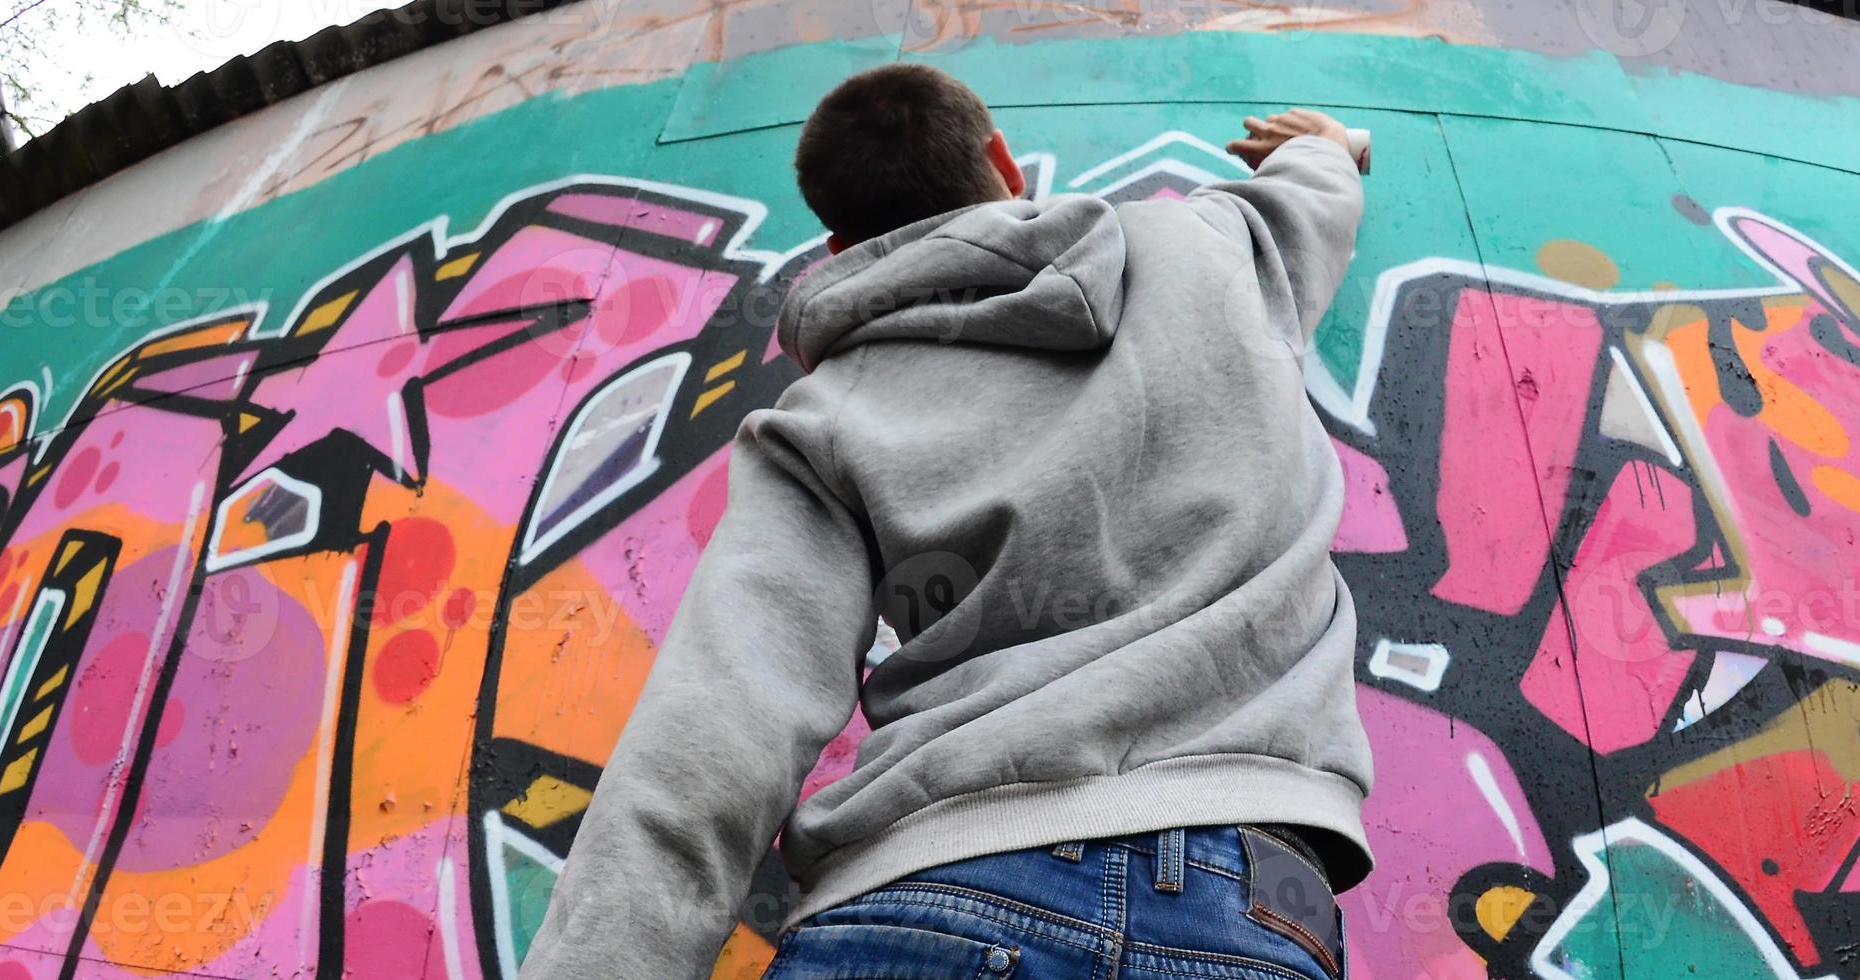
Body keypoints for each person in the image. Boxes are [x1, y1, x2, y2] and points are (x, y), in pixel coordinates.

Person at [518, 63, 1371, 980]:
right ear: (1003, 162)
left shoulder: (820, 418)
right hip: (1245, 900)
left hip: (918, 898)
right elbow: (1312, 195)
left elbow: (718, 727)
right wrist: (1327, 146)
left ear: (840, 244)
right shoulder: (1212, 248)